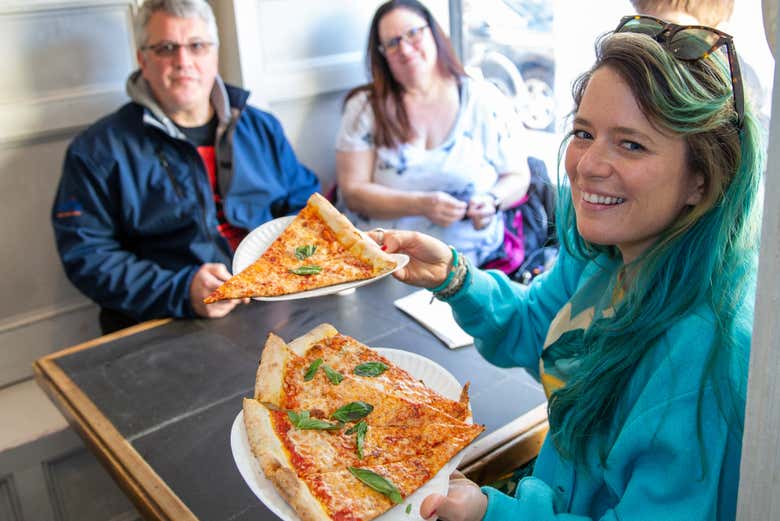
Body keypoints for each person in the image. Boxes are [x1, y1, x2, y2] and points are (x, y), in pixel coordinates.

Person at [371, 16, 763, 521]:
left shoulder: (708, 354)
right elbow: (537, 329)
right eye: (584, 132)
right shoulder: (609, 257)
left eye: (631, 143)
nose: (586, 165)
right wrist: (456, 277)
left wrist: (493, 514)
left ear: (702, 181)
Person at [51, 0, 320, 333]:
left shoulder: (262, 127)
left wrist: (289, 262)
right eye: (166, 48)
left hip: (277, 306)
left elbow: (306, 207)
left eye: (197, 46)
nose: (183, 62)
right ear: (142, 59)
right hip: (168, 323)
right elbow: (88, 256)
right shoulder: (96, 150)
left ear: (214, 54)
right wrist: (181, 291)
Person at [335, 0, 531, 267]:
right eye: (392, 43)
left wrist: (491, 201)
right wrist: (422, 204)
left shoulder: (483, 100)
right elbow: (353, 192)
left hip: (470, 263)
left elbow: (519, 176)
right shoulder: (364, 108)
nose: (404, 49)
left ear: (435, 33)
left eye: (413, 33)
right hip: (384, 262)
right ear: (381, 55)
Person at [629, 0, 770, 131]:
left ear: (717, 38)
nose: (655, 51)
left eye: (681, 39)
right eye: (644, 31)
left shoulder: (737, 115)